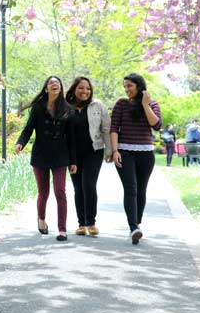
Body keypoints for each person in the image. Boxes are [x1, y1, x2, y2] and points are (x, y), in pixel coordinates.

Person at [15, 76, 76, 242]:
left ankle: (62, 229)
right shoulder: (38, 107)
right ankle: (41, 219)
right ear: (46, 88)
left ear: (61, 88)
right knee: (44, 192)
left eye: (57, 82)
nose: (54, 84)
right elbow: (28, 129)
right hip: (40, 155)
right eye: (51, 83)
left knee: (60, 191)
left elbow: (71, 138)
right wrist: (20, 143)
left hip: (60, 156)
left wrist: (73, 161)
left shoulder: (67, 109)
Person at [110, 73, 162, 245]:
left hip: (146, 153)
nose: (126, 90)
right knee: (130, 189)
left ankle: (136, 224)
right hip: (125, 151)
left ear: (139, 86)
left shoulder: (152, 103)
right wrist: (115, 150)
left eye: (129, 86)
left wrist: (145, 104)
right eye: (125, 86)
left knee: (141, 190)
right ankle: (133, 227)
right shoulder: (121, 104)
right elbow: (114, 128)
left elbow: (156, 125)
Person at [65, 76, 111, 236]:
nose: (85, 91)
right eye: (81, 88)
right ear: (74, 89)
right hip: (73, 154)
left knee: (89, 185)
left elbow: (106, 128)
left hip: (94, 151)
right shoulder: (65, 106)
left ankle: (91, 222)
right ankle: (81, 224)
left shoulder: (97, 106)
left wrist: (110, 150)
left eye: (88, 88)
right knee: (78, 187)